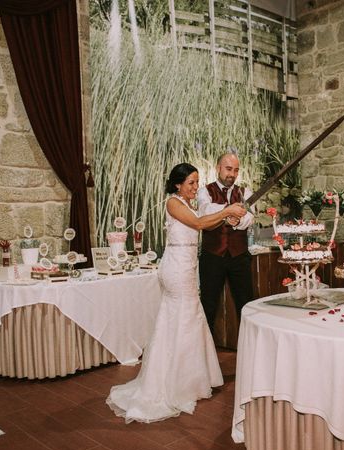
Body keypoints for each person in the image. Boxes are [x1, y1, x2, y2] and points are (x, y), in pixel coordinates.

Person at [106, 163, 247, 423]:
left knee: (189, 316)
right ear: (177, 185)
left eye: (197, 182)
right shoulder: (173, 203)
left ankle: (190, 379)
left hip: (186, 267)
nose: (195, 187)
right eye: (191, 183)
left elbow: (204, 223)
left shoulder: (187, 203)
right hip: (176, 269)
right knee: (183, 316)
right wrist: (227, 210)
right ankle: (174, 383)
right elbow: (198, 223)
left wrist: (227, 218)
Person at [197, 153, 255, 334]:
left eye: (236, 170)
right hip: (212, 256)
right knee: (208, 304)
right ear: (218, 168)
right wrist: (228, 211)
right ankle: (206, 352)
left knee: (246, 304)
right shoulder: (204, 191)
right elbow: (205, 212)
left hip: (239, 256)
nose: (232, 174)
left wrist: (237, 221)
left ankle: (249, 346)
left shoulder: (246, 192)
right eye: (228, 169)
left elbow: (250, 218)